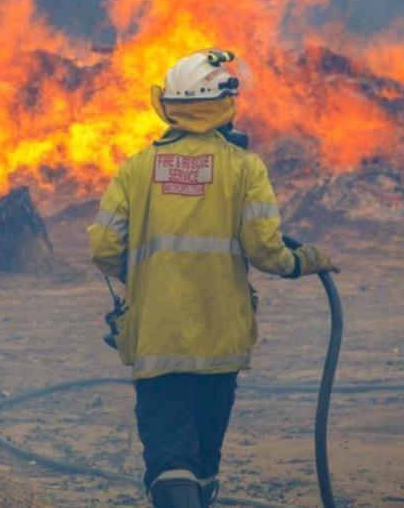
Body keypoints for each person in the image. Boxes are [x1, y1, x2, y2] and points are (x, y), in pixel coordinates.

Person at [87, 49, 339, 508]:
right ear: (225, 106)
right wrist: (308, 260)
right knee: (203, 460)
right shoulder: (245, 168)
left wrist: (140, 277)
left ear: (169, 106)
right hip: (219, 342)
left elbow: (102, 248)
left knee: (169, 458)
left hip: (157, 341)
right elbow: (266, 250)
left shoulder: (137, 169)